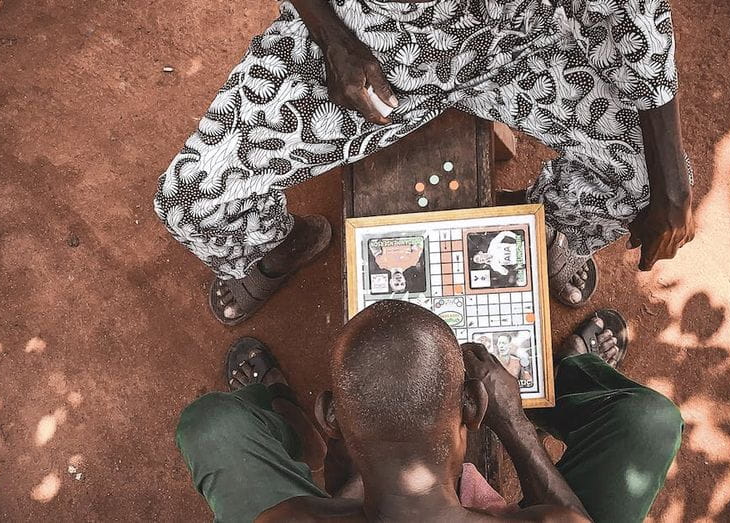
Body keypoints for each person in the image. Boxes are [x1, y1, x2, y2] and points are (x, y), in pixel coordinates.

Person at [154, 0, 696, 325]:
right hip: (372, 47)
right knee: (190, 198)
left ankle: (543, 229)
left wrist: (672, 188)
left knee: (646, 180)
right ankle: (282, 242)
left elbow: (632, 16)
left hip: (517, 43)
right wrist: (333, 38)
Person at [175, 300, 682, 521]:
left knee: (212, 426)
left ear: (331, 415)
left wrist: (366, 453)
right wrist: (514, 423)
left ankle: (291, 419)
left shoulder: (288, 517)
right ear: (473, 408)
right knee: (650, 422)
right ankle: (566, 377)